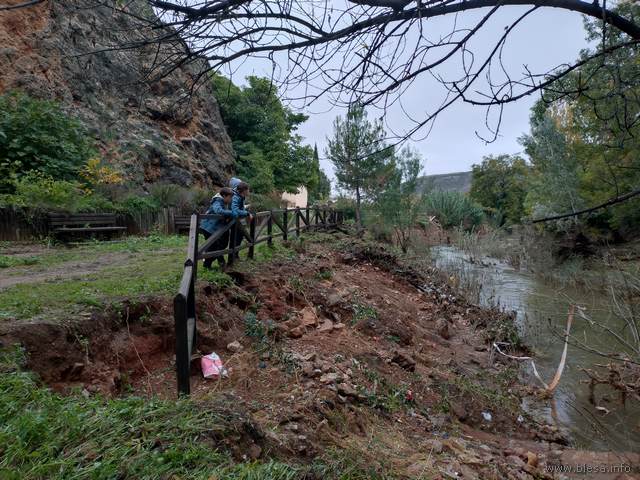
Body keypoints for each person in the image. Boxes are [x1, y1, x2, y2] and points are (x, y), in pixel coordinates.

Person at [199, 187, 235, 269]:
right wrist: (232, 213)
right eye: (230, 197)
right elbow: (218, 210)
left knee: (220, 246)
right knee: (213, 247)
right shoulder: (217, 201)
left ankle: (214, 262)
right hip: (208, 227)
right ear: (224, 196)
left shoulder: (224, 202)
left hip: (213, 228)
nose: (231, 199)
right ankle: (208, 265)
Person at [229, 177, 253, 257]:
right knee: (235, 238)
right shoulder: (236, 196)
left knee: (239, 236)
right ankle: (232, 257)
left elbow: (239, 207)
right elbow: (235, 210)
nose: (249, 191)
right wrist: (246, 213)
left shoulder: (240, 196)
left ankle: (235, 255)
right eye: (248, 189)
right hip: (234, 220)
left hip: (238, 220)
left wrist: (245, 207)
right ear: (244, 190)